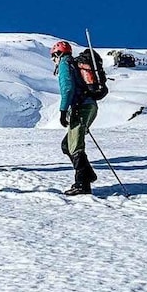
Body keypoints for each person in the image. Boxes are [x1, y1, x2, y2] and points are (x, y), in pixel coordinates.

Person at [51, 41, 98, 196]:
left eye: (53, 56)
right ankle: (88, 174)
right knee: (66, 145)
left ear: (58, 54)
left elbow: (68, 88)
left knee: (75, 146)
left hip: (81, 107)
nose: (53, 60)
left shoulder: (65, 64)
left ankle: (82, 184)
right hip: (90, 106)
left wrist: (63, 111)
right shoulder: (75, 64)